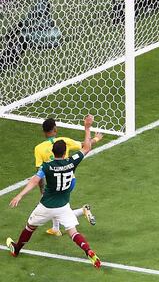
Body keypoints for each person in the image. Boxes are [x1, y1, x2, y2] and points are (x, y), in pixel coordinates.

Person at [7, 115, 101, 269]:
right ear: (65, 152)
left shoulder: (47, 166)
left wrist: (20, 195)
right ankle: (88, 250)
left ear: (53, 151)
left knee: (30, 227)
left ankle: (16, 249)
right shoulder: (71, 162)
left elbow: (35, 181)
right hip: (63, 206)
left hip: (46, 206)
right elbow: (87, 147)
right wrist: (87, 127)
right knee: (73, 232)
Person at [34, 118, 103, 236]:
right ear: (55, 129)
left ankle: (82, 211)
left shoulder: (39, 148)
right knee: (58, 206)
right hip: (70, 180)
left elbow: (39, 171)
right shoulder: (64, 141)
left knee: (55, 206)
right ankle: (55, 228)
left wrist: (42, 191)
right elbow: (84, 145)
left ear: (44, 132)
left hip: (54, 183)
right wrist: (96, 138)